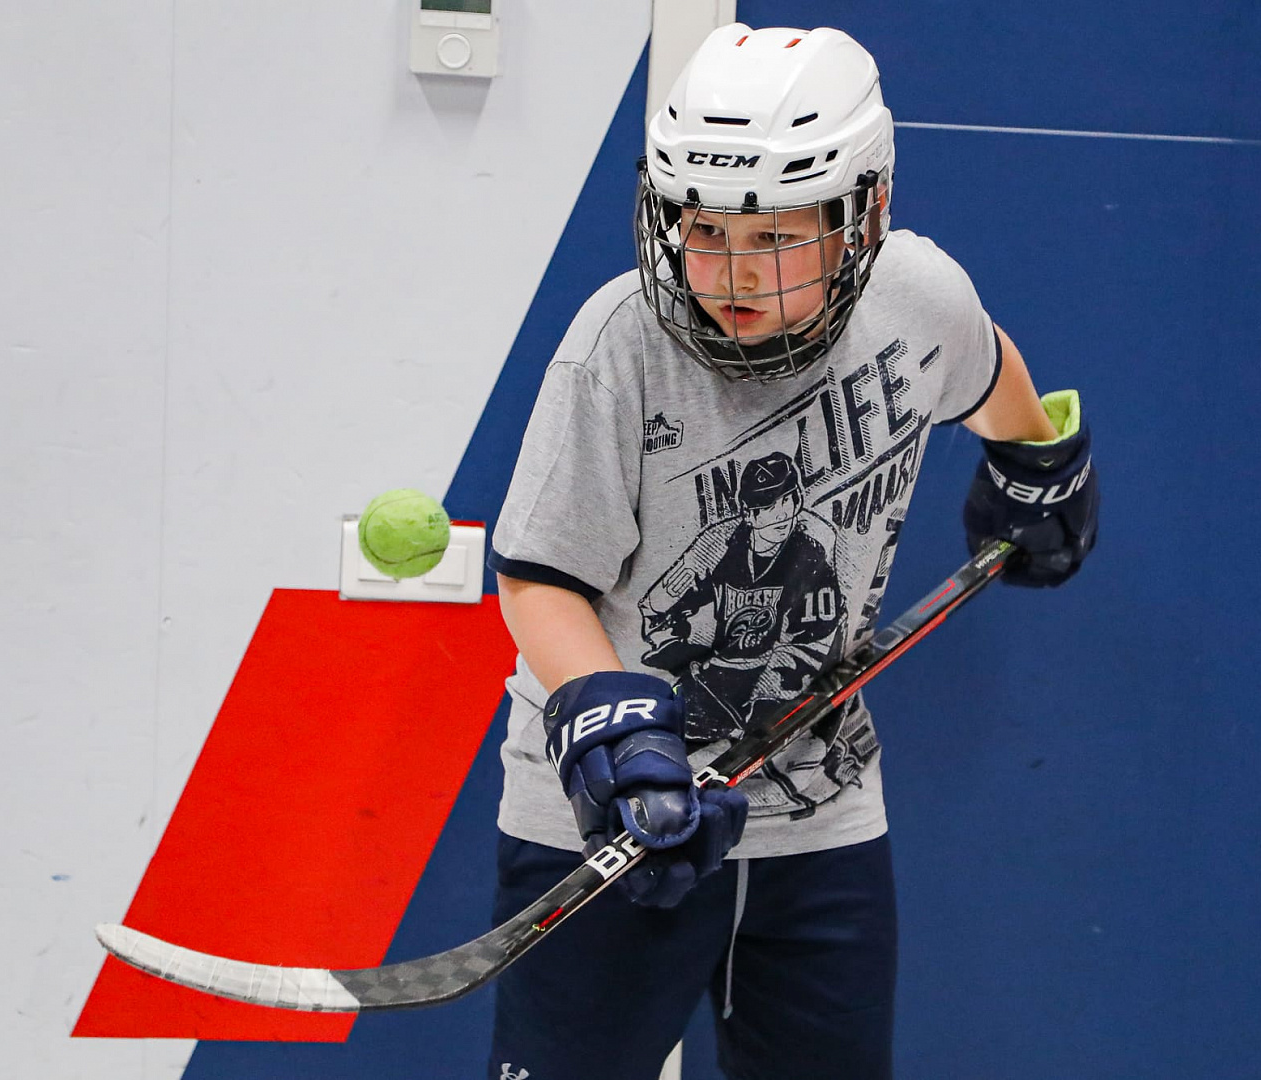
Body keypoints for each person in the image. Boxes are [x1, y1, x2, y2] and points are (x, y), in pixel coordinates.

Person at [484, 24, 1098, 1080]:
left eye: (776, 236)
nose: (733, 272)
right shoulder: (619, 346)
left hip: (821, 817)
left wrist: (1034, 458)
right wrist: (610, 726)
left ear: (866, 217)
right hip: (610, 827)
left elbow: (983, 363)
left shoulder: (918, 296)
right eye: (705, 231)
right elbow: (540, 578)